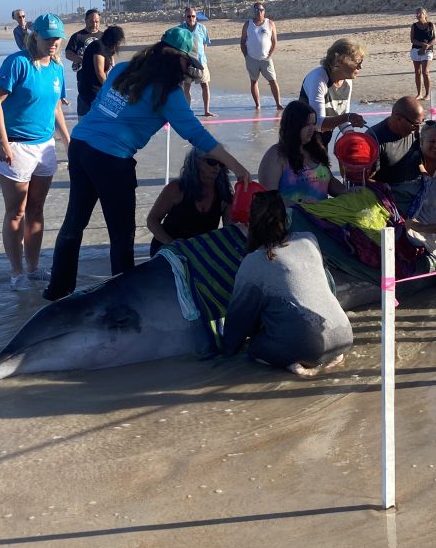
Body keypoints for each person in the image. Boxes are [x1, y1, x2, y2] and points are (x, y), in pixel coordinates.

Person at [43, 27, 252, 301]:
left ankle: (57, 292)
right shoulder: (166, 92)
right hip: (111, 159)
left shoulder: (123, 70)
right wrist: (238, 168)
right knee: (122, 235)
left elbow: (101, 106)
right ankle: (125, 299)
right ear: (175, 59)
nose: (187, 70)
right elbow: (197, 135)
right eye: (187, 63)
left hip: (82, 146)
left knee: (74, 224)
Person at [223, 190, 353, 377]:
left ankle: (293, 363)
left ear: (251, 223)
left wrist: (226, 353)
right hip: (343, 334)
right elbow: (326, 286)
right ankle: (332, 355)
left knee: (254, 348)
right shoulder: (308, 239)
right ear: (285, 218)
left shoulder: (254, 261)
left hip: (307, 345)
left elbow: (239, 322)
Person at [0, 13, 71, 291]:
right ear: (35, 36)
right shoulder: (17, 63)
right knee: (16, 211)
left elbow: (56, 107)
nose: (54, 43)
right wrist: (3, 142)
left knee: (36, 209)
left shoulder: (57, 68)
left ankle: (34, 268)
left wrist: (67, 141)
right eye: (48, 38)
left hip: (45, 147)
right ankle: (16, 271)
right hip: (16, 145)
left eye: (57, 37)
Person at [146, 147, 233, 256]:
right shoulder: (177, 188)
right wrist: (171, 243)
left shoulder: (224, 195)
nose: (217, 167)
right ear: (196, 161)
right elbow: (152, 220)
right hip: (167, 248)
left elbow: (229, 232)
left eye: (221, 163)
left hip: (199, 252)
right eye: (212, 162)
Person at [256, 100, 344, 205]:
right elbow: (268, 197)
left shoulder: (316, 149)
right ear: (293, 126)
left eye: (313, 124)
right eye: (307, 125)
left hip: (321, 217)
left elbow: (330, 182)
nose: (312, 129)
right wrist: (299, 205)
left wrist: (345, 191)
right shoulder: (275, 155)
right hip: (292, 218)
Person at [299, 38, 367, 145]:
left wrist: (352, 137)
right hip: (302, 141)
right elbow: (318, 124)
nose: (360, 67)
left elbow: (343, 117)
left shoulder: (347, 81)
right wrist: (348, 117)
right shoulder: (318, 79)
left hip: (321, 140)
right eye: (357, 62)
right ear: (339, 61)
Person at [240, 2, 284, 109]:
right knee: (254, 81)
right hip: (251, 58)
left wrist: (270, 54)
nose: (259, 12)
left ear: (264, 11)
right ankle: (257, 104)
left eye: (261, 10)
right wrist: (246, 56)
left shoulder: (270, 23)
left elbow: (274, 41)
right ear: (254, 12)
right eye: (257, 10)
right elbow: (242, 41)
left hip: (266, 59)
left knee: (273, 80)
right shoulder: (248, 24)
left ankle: (278, 104)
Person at [75, 25, 125, 117]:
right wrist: (110, 90)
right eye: (118, 41)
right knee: (91, 121)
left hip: (97, 90)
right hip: (91, 91)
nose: (118, 43)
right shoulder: (99, 46)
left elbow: (111, 68)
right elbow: (100, 72)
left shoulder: (107, 49)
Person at [180, 7, 215, 117]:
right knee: (187, 86)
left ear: (196, 17)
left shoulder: (202, 28)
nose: (191, 18)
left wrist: (201, 55)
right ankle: (188, 111)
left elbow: (205, 43)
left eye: (193, 16)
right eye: (188, 16)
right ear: (185, 17)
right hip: (186, 63)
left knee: (205, 85)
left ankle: (206, 111)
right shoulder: (180, 29)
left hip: (200, 62)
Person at [410, 7, 436, 101]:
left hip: (428, 50)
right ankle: (419, 94)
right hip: (416, 50)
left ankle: (427, 94)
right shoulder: (414, 26)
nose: (417, 15)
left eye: (419, 13)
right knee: (417, 72)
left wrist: (427, 46)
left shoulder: (431, 25)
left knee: (425, 71)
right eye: (416, 14)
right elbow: (412, 39)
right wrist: (421, 45)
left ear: (424, 14)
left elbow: (435, 38)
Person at [66, 8, 102, 72]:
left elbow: (110, 54)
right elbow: (68, 54)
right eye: (91, 21)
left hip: (102, 76)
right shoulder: (77, 36)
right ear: (85, 20)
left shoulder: (104, 36)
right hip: (84, 78)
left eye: (97, 22)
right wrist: (83, 60)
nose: (94, 24)